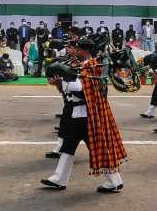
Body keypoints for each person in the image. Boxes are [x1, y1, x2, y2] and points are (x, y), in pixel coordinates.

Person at [41, 36, 127, 193]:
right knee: (69, 146)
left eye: (78, 49)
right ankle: (59, 179)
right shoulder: (81, 65)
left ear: (85, 51)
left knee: (93, 146)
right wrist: (60, 82)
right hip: (77, 113)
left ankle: (114, 181)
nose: (75, 52)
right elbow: (67, 90)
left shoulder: (90, 66)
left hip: (85, 115)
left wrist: (65, 77)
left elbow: (80, 91)